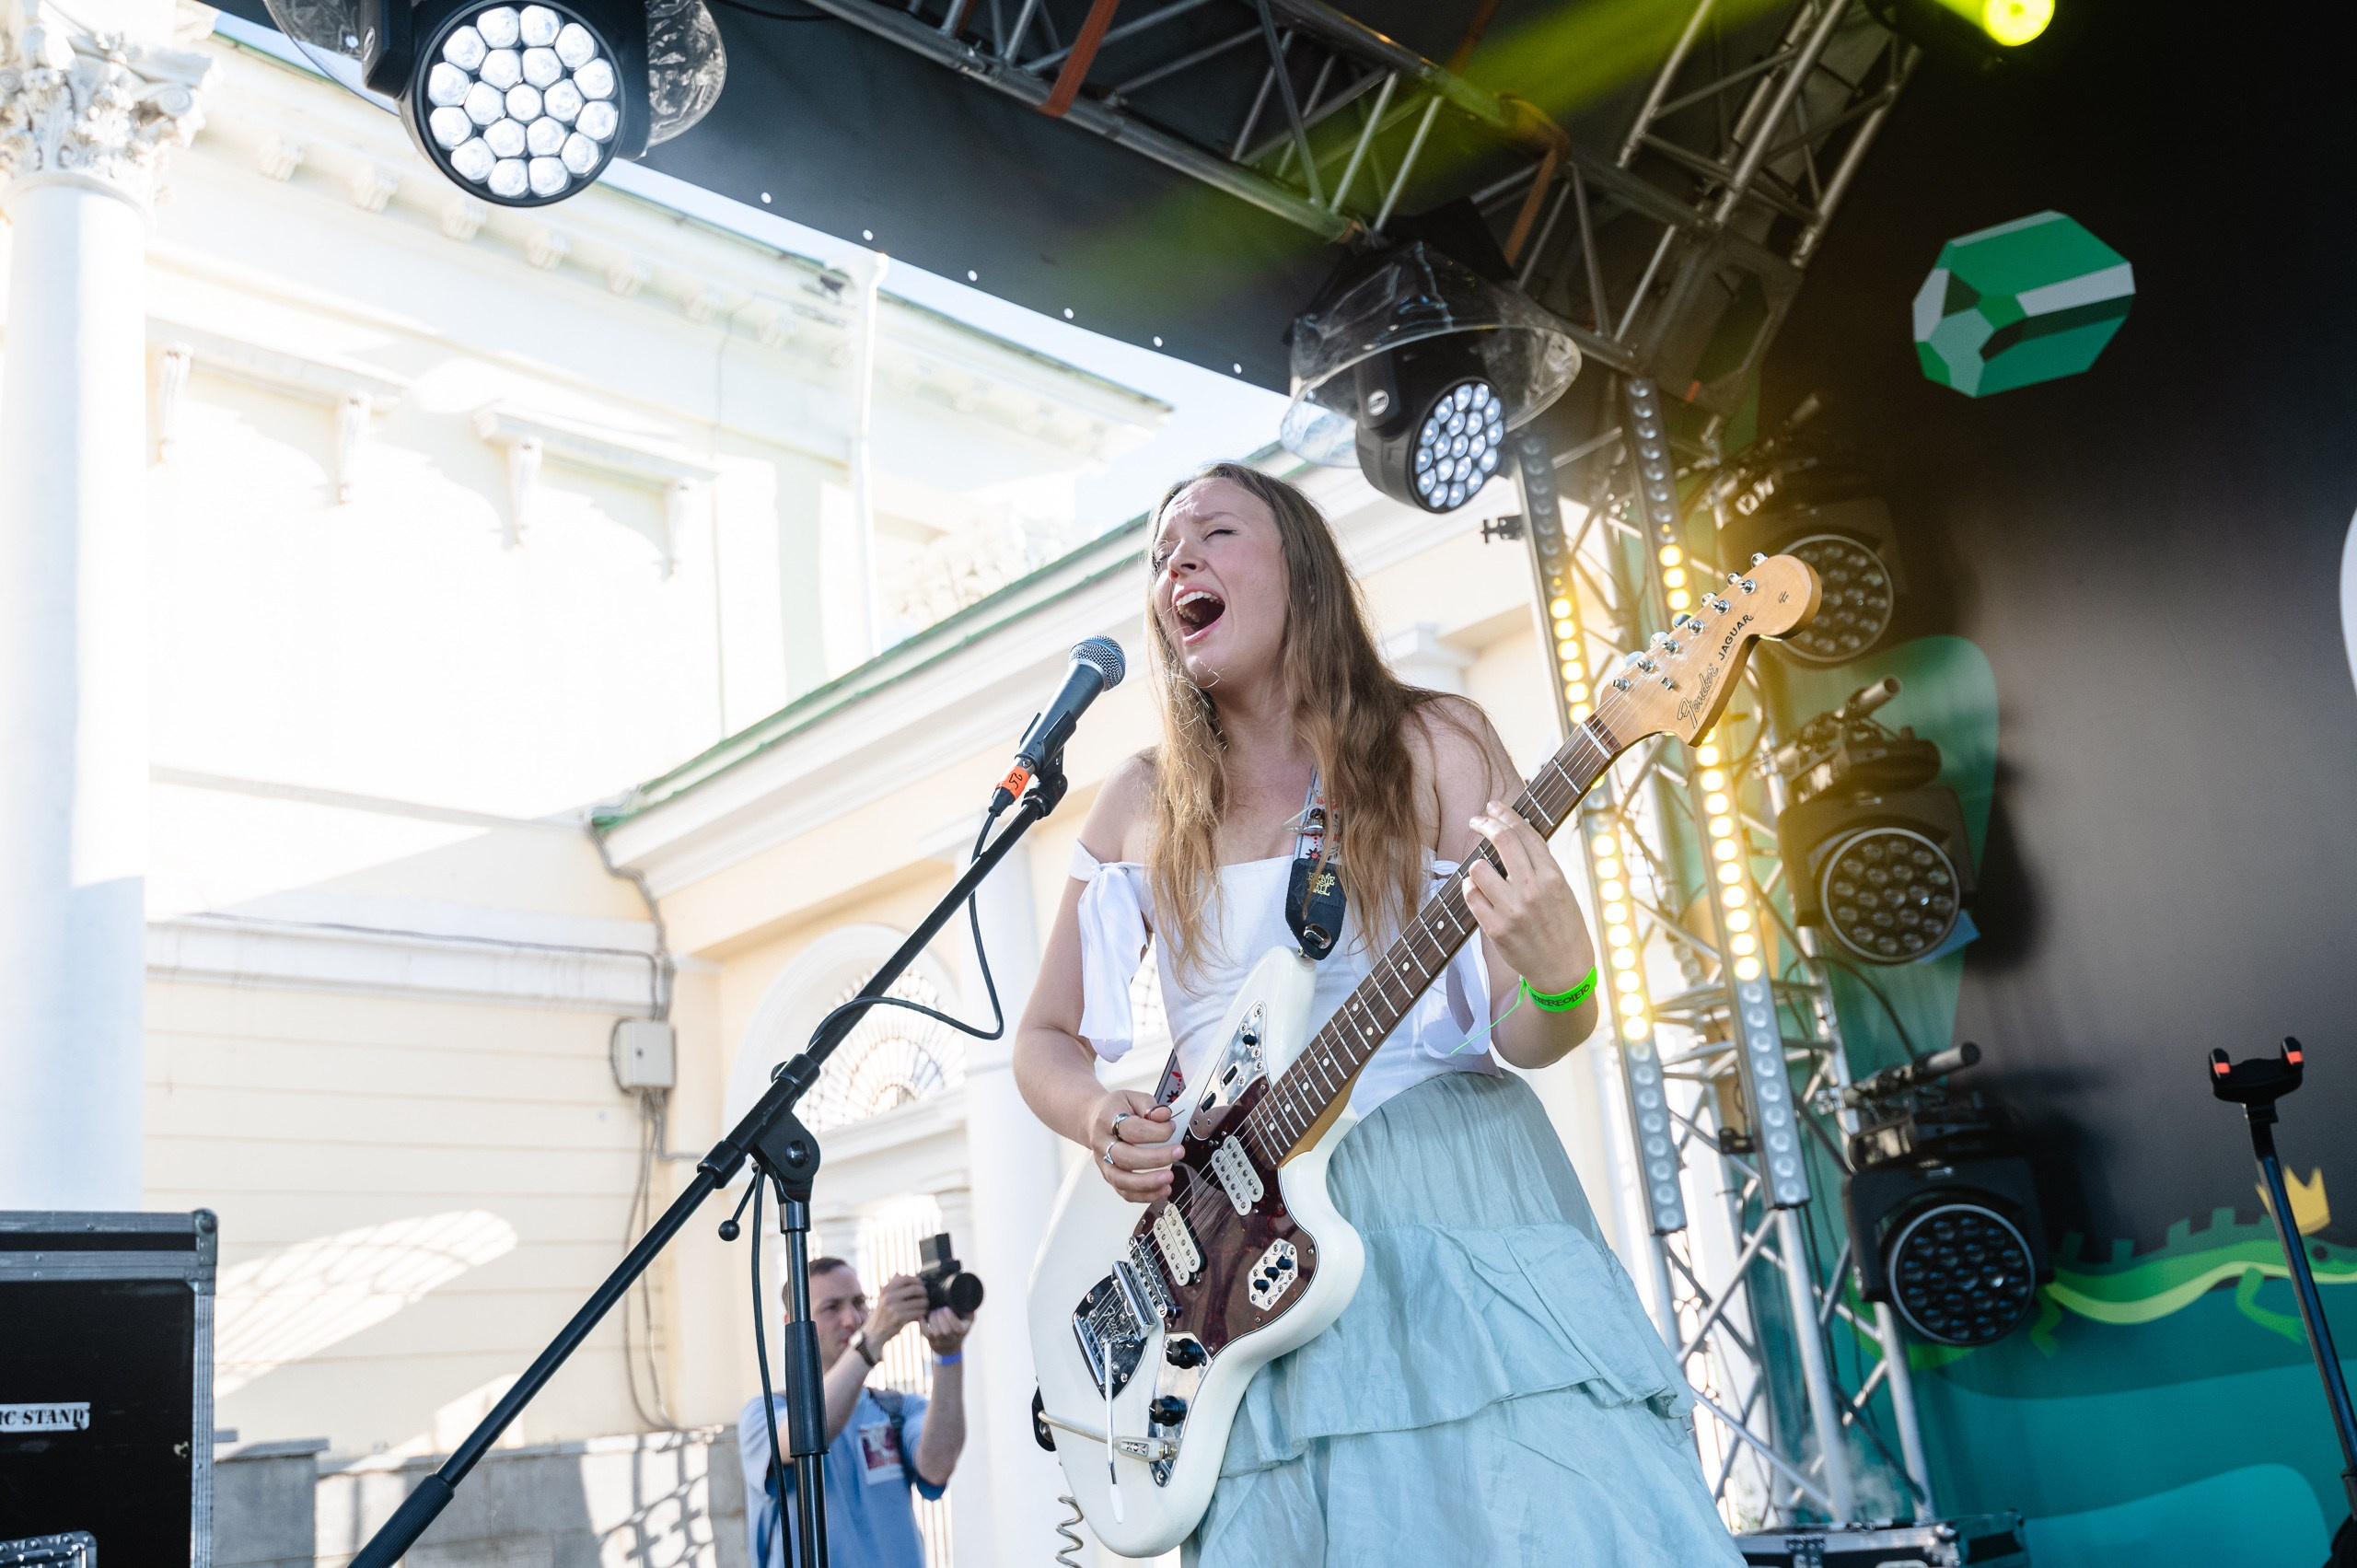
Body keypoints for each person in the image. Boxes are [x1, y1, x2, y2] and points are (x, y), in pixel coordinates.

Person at [1012, 463, 1743, 1566]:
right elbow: (1044, 1040)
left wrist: (1562, 978)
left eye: (1214, 533)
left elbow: (1526, 1028)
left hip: (1445, 1195)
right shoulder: (1138, 799)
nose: (1179, 565)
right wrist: (1095, 1117)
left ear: (1302, 569)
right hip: (1233, 1250)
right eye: (1162, 554)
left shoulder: (1438, 740)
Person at [737, 1256, 971, 1568]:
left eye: (859, 1302)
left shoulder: (895, 1408)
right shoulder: (765, 1413)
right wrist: (871, 1339)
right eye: (831, 1308)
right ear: (792, 1322)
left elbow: (937, 1466)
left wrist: (949, 1353)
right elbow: (806, 1435)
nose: (851, 1319)